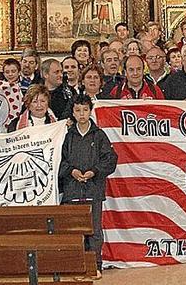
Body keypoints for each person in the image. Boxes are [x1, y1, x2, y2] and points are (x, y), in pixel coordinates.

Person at [60, 94, 118, 272]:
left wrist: (95, 172)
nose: (82, 114)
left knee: (94, 231)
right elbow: (58, 160)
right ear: (73, 112)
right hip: (72, 191)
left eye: (85, 110)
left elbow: (110, 159)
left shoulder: (99, 135)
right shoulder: (67, 136)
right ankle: (76, 267)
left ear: (90, 111)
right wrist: (72, 171)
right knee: (75, 231)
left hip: (93, 190)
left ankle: (95, 266)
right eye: (78, 110)